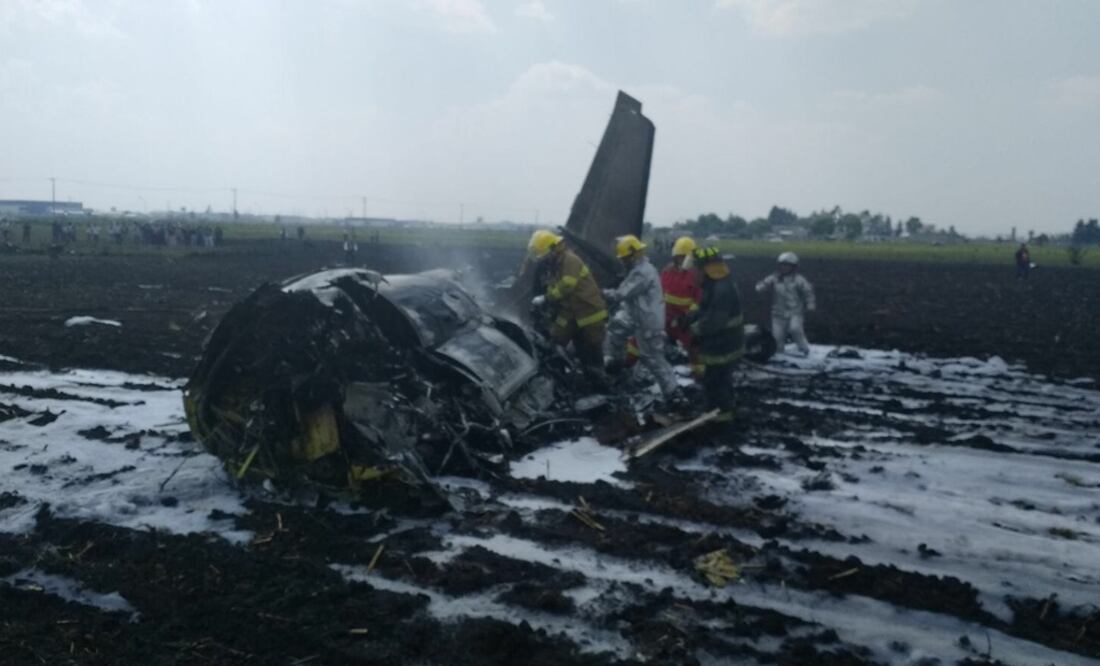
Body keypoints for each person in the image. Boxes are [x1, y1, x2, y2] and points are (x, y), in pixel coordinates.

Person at [603, 234, 680, 400]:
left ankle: (674, 394)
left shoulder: (643, 273)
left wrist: (604, 293)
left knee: (652, 358)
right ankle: (616, 369)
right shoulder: (638, 269)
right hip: (636, 315)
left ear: (633, 255)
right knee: (615, 331)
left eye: (625, 258)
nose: (623, 261)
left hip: (648, 321)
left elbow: (622, 293)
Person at [528, 229, 608, 374]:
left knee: (592, 348)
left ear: (553, 248)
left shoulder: (570, 260)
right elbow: (554, 286)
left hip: (588, 310)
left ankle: (599, 381)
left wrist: (545, 298)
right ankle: (559, 375)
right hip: (569, 311)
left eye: (545, 254)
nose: (544, 259)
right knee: (555, 341)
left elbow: (567, 286)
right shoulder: (556, 264)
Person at [685, 246, 744, 427]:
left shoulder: (722, 289)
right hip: (720, 344)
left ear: (706, 268)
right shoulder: (714, 284)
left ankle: (722, 423)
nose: (694, 274)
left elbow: (714, 322)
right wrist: (689, 317)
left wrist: (694, 329)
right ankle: (716, 412)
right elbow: (705, 310)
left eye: (696, 269)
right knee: (716, 382)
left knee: (717, 384)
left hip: (724, 346)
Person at [755, 251, 815, 356]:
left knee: (795, 330)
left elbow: (808, 292)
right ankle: (779, 355)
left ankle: (805, 350)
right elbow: (761, 287)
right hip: (778, 314)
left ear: (793, 267)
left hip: (795, 312)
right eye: (782, 265)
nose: (784, 268)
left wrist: (810, 304)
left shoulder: (799, 280)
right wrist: (762, 286)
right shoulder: (774, 278)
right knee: (777, 339)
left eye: (787, 266)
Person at [661, 236, 703, 377]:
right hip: (667, 317)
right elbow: (660, 293)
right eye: (680, 257)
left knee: (693, 346)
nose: (683, 260)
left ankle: (699, 374)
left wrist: (689, 316)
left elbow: (698, 299)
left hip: (686, 319)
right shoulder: (666, 272)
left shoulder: (696, 275)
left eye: (685, 257)